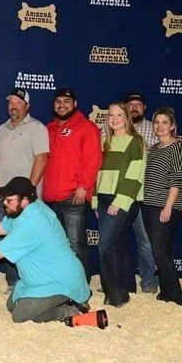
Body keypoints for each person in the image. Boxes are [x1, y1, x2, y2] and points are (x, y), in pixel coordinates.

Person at [0, 177, 90, 323]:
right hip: (41, 278)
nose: (4, 203)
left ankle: (69, 310)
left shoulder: (33, 221)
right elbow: (3, 227)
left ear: (24, 200)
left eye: (9, 200)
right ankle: (62, 301)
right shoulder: (29, 208)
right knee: (12, 305)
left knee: (20, 315)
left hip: (60, 280)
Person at [0, 88, 49, 291]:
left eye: (19, 102)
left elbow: (42, 159)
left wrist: (28, 191)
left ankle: (30, 280)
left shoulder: (37, 128)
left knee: (26, 239)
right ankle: (13, 282)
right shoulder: (1, 130)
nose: (14, 106)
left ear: (27, 106)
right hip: (4, 196)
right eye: (11, 102)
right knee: (7, 238)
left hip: (25, 199)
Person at [43, 87, 102, 285]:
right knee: (55, 245)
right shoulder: (48, 128)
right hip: (50, 197)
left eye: (66, 101)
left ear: (75, 104)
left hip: (73, 196)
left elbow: (93, 160)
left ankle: (81, 287)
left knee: (76, 244)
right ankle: (60, 282)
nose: (62, 105)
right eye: (58, 101)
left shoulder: (87, 127)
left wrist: (84, 186)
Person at [92, 102, 146, 308]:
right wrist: (97, 200)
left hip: (123, 199)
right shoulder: (105, 141)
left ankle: (115, 295)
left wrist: (120, 201)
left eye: (119, 115)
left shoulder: (136, 142)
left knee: (106, 245)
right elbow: (98, 174)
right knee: (118, 244)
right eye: (110, 115)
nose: (114, 119)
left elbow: (135, 175)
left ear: (126, 118)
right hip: (105, 198)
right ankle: (126, 287)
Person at [142, 107, 182, 306]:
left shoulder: (177, 147)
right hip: (149, 204)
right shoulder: (152, 149)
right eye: (156, 122)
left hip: (165, 205)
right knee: (158, 249)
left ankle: (175, 296)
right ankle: (166, 291)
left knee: (160, 250)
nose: (160, 126)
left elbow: (178, 178)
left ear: (172, 126)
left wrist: (168, 207)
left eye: (164, 122)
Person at [121, 92, 159, 294]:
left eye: (138, 104)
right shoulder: (114, 128)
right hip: (119, 194)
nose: (134, 108)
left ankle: (149, 282)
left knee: (145, 241)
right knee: (116, 241)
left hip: (144, 194)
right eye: (130, 104)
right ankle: (119, 282)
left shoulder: (154, 130)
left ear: (144, 108)